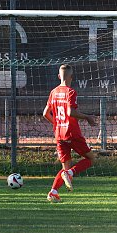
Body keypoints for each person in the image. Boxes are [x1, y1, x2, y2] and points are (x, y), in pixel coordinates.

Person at [43, 64, 97, 203]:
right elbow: (70, 112)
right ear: (71, 77)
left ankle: (53, 192)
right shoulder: (71, 92)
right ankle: (70, 173)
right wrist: (87, 117)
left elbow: (45, 113)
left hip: (59, 134)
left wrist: (57, 124)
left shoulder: (53, 92)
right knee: (91, 159)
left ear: (59, 76)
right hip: (72, 132)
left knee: (65, 166)